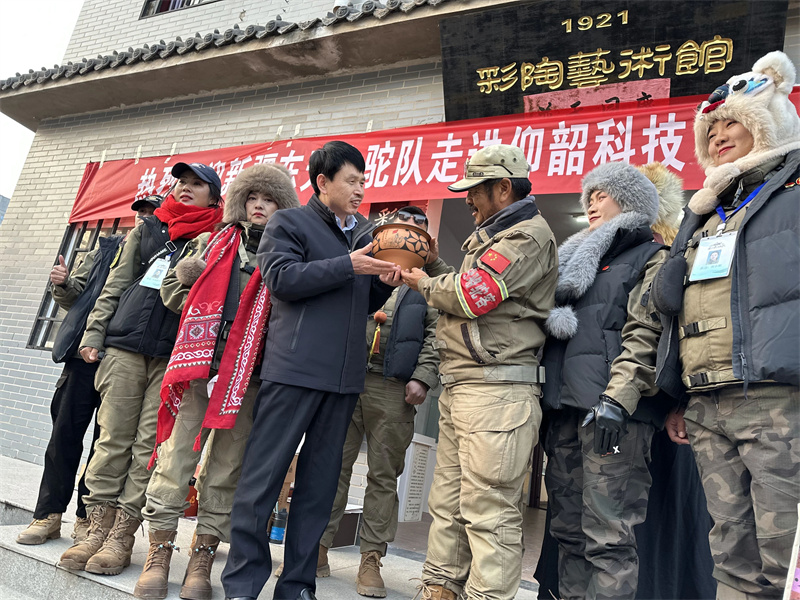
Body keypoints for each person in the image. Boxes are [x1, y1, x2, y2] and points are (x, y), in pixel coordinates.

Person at [221, 141, 401, 600]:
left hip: (343, 380)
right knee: (262, 480)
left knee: (318, 490)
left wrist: (382, 285)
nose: (360, 190)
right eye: (351, 181)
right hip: (293, 372)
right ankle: (243, 583)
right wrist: (347, 264)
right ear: (323, 182)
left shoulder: (366, 233)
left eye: (363, 181)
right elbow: (282, 280)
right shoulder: (289, 222)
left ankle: (298, 585)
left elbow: (360, 302)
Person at [653, 51, 800, 599]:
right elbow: (681, 311)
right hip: (706, 403)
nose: (718, 136)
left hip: (778, 399)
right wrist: (677, 397)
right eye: (710, 129)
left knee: (787, 556)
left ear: (769, 122)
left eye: (732, 122)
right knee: (730, 552)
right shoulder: (706, 215)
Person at [132, 164, 300, 599]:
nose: (259, 205)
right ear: (240, 201)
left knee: (226, 470)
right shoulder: (213, 241)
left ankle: (202, 559)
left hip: (250, 379)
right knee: (175, 461)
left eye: (269, 199)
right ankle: (159, 554)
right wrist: (197, 295)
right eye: (252, 197)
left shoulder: (288, 254)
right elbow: (171, 291)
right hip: (199, 369)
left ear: (283, 207)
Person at [401, 144, 558, 600]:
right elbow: (473, 290)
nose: (467, 198)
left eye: (475, 189)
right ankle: (440, 588)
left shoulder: (528, 236)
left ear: (503, 188)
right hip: (464, 386)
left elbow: (474, 295)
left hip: (497, 392)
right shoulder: (493, 235)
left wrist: (423, 281)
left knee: (489, 510)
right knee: (448, 504)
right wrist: (434, 267)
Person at [58, 163, 223, 576]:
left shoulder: (218, 238)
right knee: (112, 439)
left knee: (148, 448)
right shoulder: (148, 229)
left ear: (214, 198)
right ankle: (95, 528)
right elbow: (115, 284)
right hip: (124, 347)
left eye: (197, 185)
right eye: (181, 182)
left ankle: (122, 536)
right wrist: (94, 334)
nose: (185, 189)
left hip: (173, 357)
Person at [538, 161, 669, 600]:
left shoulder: (651, 257)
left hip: (613, 417)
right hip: (564, 412)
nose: (591, 204)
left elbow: (646, 335)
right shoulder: (574, 262)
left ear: (630, 201)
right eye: (588, 197)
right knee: (567, 530)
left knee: (609, 537)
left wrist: (617, 398)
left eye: (602, 195)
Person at [313, 205, 440, 598]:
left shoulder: (431, 282)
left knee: (383, 476)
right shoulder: (364, 264)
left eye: (418, 228)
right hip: (347, 379)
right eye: (403, 225)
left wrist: (423, 376)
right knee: (332, 467)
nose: (409, 232)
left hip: (394, 387)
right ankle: (316, 547)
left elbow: (438, 334)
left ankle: (371, 558)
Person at [13, 198, 154, 545]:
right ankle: (47, 515)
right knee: (64, 436)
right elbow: (75, 297)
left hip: (126, 362)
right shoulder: (106, 250)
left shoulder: (163, 257)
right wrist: (62, 284)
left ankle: (86, 518)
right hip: (83, 358)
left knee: (107, 445)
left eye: (152, 214)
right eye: (140, 213)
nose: (144, 219)